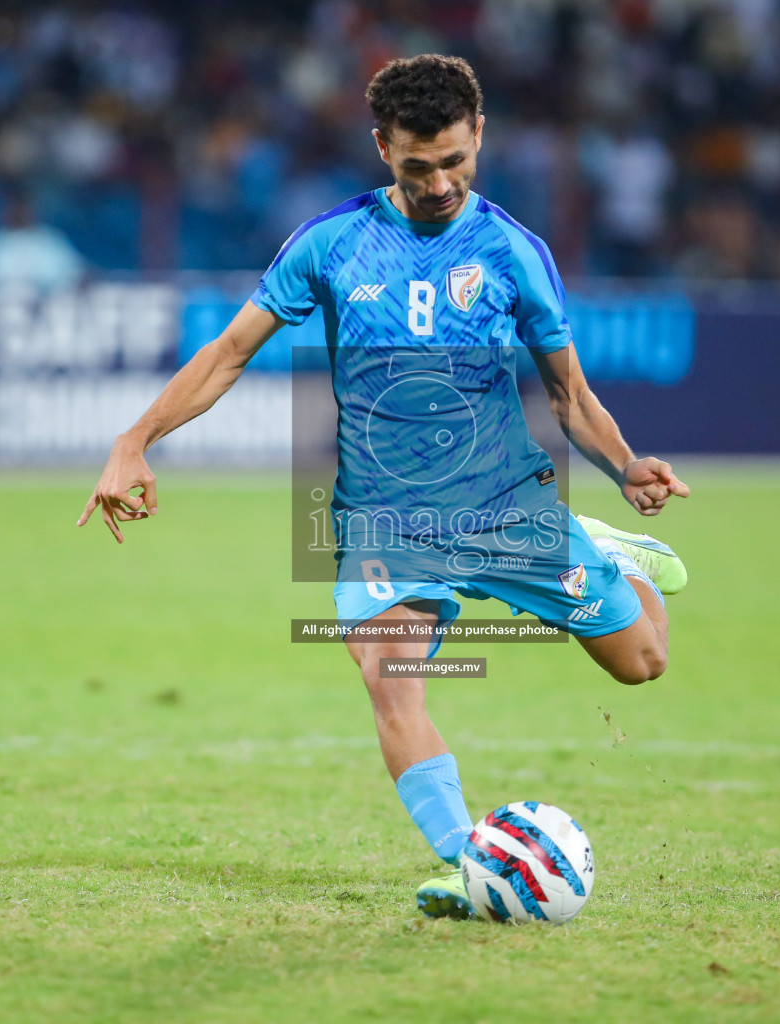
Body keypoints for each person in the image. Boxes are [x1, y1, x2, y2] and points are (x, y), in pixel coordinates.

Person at [76, 55, 689, 919]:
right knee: (385, 677)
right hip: (385, 522)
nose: (439, 183)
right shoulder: (330, 244)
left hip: (507, 505)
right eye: (416, 165)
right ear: (381, 148)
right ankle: (466, 863)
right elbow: (226, 354)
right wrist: (134, 439)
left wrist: (625, 466)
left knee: (643, 664)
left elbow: (568, 395)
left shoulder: (515, 251)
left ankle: (610, 554)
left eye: (453, 161)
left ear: (479, 135)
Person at [0, 192, 85, 292]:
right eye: (15, 209)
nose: (19, 213)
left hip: (50, 298)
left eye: (23, 209)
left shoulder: (51, 237)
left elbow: (73, 271)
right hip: (9, 300)